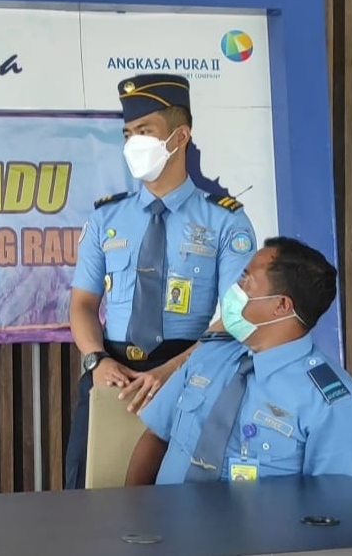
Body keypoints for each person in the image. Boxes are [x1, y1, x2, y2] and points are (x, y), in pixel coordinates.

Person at [65, 73, 257, 489]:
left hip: (191, 376)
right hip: (112, 377)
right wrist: (96, 361)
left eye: (145, 131)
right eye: (128, 133)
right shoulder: (106, 218)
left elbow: (233, 318)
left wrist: (174, 370)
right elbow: (81, 304)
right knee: (90, 500)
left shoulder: (225, 220)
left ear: (180, 135)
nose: (134, 142)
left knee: (181, 508)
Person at [126, 237, 352, 485]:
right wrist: (134, 514)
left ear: (281, 305)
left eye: (246, 280)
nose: (235, 287)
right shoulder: (210, 354)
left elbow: (329, 506)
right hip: (161, 518)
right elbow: (156, 436)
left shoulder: (334, 404)